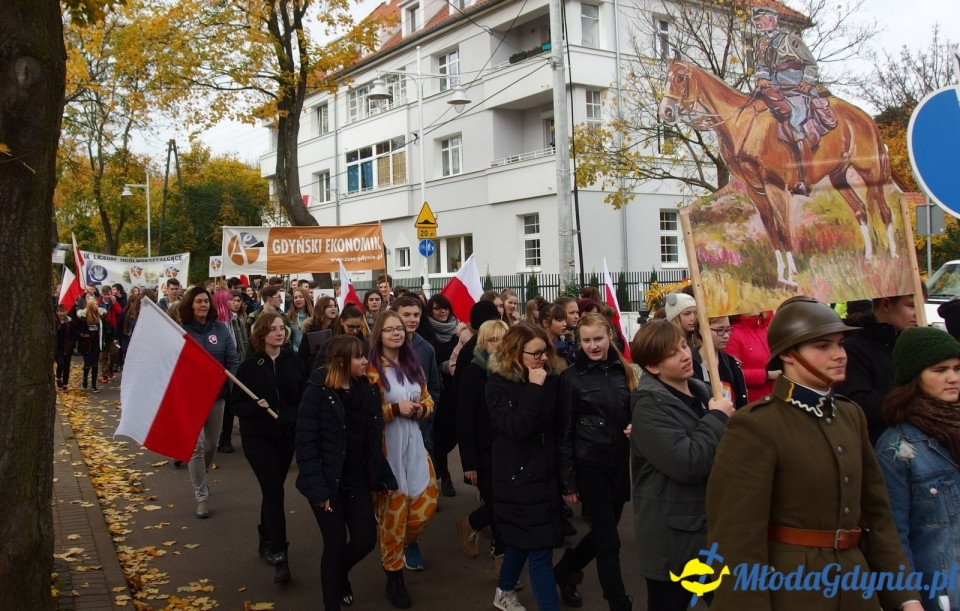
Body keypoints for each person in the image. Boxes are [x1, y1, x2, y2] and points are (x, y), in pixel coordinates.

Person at [706, 296, 922, 611]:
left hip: (855, 587)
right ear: (788, 355)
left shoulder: (850, 415)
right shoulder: (756, 426)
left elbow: (877, 518)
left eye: (839, 344)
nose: (839, 355)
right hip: (794, 591)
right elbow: (736, 541)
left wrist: (906, 596)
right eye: (823, 347)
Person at [629, 319, 733, 611]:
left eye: (684, 346)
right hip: (672, 541)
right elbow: (687, 463)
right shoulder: (648, 406)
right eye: (673, 353)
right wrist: (716, 419)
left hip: (707, 529)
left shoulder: (702, 391)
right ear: (653, 367)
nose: (686, 355)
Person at [296, 335, 398, 611]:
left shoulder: (367, 389)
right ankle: (332, 601)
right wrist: (318, 491)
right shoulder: (317, 391)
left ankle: (338, 576)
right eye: (359, 357)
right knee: (335, 544)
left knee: (365, 540)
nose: (366, 361)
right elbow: (306, 444)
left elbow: (372, 440)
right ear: (341, 361)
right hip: (327, 483)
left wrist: (383, 477)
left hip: (357, 480)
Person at [555, 313, 638, 611]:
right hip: (588, 462)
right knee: (608, 540)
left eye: (598, 339)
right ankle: (618, 602)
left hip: (618, 462)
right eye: (586, 340)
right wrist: (568, 480)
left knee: (607, 529)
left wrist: (635, 425)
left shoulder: (625, 371)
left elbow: (633, 411)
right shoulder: (570, 378)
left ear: (610, 337)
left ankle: (567, 569)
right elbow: (563, 432)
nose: (592, 345)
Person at [875, 327, 960, 611]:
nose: (953, 377)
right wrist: (908, 600)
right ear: (915, 377)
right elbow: (892, 535)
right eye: (940, 369)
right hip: (940, 592)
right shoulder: (897, 449)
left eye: (957, 368)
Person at [486, 322, 565, 611]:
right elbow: (515, 427)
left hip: (545, 469)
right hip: (516, 474)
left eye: (545, 352)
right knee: (540, 548)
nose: (542, 359)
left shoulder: (551, 377)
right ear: (516, 353)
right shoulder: (497, 383)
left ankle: (504, 590)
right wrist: (534, 388)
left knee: (523, 539)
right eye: (536, 354)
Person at [367, 310, 438, 608]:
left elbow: (427, 399)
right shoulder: (370, 371)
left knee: (425, 506)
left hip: (415, 448)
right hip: (387, 452)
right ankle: (394, 576)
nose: (396, 333)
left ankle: (400, 545)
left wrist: (422, 410)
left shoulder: (412, 364)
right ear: (379, 334)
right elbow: (366, 414)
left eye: (399, 329)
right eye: (389, 329)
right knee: (393, 518)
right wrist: (394, 410)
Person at [229, 312, 305, 584]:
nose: (279, 333)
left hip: (285, 437)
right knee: (273, 490)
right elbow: (235, 404)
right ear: (261, 335)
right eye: (272, 329)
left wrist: (291, 417)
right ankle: (280, 555)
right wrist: (253, 407)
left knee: (272, 490)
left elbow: (303, 398)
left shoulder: (293, 362)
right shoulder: (250, 366)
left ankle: (265, 533)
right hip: (258, 438)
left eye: (281, 328)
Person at [751, 6, 829, 196]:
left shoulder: (791, 40)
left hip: (796, 86)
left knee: (795, 121)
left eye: (761, 20)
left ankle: (805, 178)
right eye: (756, 21)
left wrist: (806, 81)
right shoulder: (760, 43)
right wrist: (762, 78)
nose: (758, 24)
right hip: (774, 87)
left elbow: (810, 63)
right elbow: (761, 66)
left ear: (772, 20)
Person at [180, 286, 239, 519]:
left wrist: (233, 389)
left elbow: (232, 359)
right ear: (190, 306)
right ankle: (201, 495)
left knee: (211, 445)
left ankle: (200, 474)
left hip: (217, 396)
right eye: (198, 302)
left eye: (206, 301)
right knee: (196, 446)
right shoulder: (182, 331)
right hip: (191, 397)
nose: (203, 305)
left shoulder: (221, 329)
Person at [456, 320, 510, 567]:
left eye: (503, 339)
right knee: (498, 505)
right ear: (483, 343)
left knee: (505, 504)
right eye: (493, 340)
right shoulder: (472, 374)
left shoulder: (513, 371)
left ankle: (472, 522)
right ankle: (501, 559)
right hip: (484, 451)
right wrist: (469, 463)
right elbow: (464, 421)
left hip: (509, 450)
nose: (498, 345)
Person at [836, 294, 918, 445]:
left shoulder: (909, 342)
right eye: (911, 305)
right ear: (886, 305)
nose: (919, 312)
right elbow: (860, 410)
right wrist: (908, 379)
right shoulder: (853, 348)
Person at [424, 293, 464, 498]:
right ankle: (444, 476)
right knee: (439, 435)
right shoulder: (426, 332)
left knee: (454, 435)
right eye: (437, 308)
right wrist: (443, 367)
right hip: (438, 390)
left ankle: (440, 465)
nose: (442, 311)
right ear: (430, 311)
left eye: (445, 308)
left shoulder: (459, 331)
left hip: (456, 389)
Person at [213, 289, 249, 453]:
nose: (234, 303)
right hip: (218, 368)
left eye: (236, 300)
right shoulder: (215, 324)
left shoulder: (235, 320)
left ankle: (225, 438)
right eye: (230, 300)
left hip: (234, 363)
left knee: (230, 403)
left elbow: (242, 342)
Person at [696, 316, 749, 409]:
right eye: (720, 330)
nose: (726, 335)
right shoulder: (691, 364)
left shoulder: (732, 364)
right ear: (702, 330)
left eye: (728, 329)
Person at [75, 299, 103, 392]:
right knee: (87, 364)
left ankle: (94, 385)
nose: (96, 306)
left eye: (97, 304)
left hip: (95, 344)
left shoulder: (100, 318)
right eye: (94, 304)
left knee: (95, 364)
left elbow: (102, 330)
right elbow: (76, 331)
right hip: (86, 344)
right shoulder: (83, 318)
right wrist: (81, 335)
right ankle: (85, 379)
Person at [287, 288, 315, 353]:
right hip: (294, 353)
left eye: (301, 297)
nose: (298, 299)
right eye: (295, 298)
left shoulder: (314, 316)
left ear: (306, 298)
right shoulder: (288, 317)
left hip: (310, 353)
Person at [54, 305, 75, 390]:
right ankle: (59, 378)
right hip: (58, 347)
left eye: (64, 312)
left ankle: (65, 383)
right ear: (57, 312)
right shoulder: (55, 322)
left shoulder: (70, 322)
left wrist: (71, 345)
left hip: (67, 347)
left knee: (67, 366)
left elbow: (73, 334)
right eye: (60, 312)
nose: (62, 314)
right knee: (61, 363)